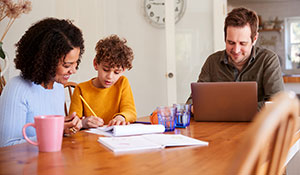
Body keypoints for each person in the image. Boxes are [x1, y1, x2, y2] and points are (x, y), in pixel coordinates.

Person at [0, 18, 84, 147]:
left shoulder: (58, 88)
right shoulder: (17, 89)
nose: (73, 70)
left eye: (75, 63)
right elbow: (6, 147)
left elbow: (53, 139)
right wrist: (55, 131)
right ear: (46, 61)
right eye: (67, 65)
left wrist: (66, 127)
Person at [186, 7, 284, 111]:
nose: (236, 50)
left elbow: (278, 104)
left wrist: (229, 108)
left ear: (254, 39)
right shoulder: (212, 61)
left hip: (258, 125)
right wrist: (192, 107)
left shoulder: (268, 60)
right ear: (225, 38)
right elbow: (193, 101)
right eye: (231, 43)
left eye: (243, 43)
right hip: (220, 126)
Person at [69, 35, 137, 128]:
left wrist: (121, 117)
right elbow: (73, 122)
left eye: (117, 72)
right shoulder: (81, 89)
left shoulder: (122, 82)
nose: (110, 77)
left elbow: (131, 112)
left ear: (123, 70)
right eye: (105, 69)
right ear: (96, 64)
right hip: (90, 140)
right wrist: (84, 122)